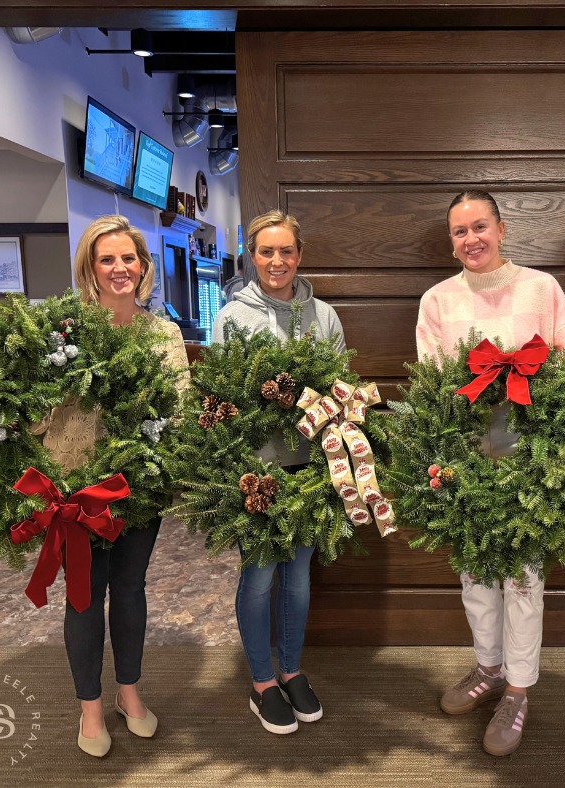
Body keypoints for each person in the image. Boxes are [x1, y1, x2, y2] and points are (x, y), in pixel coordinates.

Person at [415, 190, 565, 757]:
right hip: (467, 461)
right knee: (475, 576)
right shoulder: (437, 300)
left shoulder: (541, 288)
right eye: (460, 231)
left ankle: (517, 689)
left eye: (480, 226)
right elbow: (432, 386)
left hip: (531, 462)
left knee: (524, 580)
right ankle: (488, 668)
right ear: (451, 241)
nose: (471, 239)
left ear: (502, 228)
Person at [33, 215, 190, 757]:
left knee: (129, 590)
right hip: (76, 493)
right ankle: (91, 708)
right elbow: (35, 417)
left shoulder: (164, 335)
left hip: (140, 492)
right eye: (107, 260)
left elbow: (179, 411)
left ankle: (129, 691)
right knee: (83, 596)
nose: (120, 268)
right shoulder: (64, 334)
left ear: (143, 267)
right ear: (90, 268)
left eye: (129, 259)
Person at [212, 209, 345, 735]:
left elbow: (339, 389)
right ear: (252, 256)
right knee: (260, 576)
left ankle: (291, 670)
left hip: (311, 468)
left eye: (286, 250)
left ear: (300, 255)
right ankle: (262, 681)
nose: (276, 260)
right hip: (257, 473)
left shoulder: (324, 317)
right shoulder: (231, 317)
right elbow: (221, 397)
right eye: (266, 251)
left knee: (298, 579)